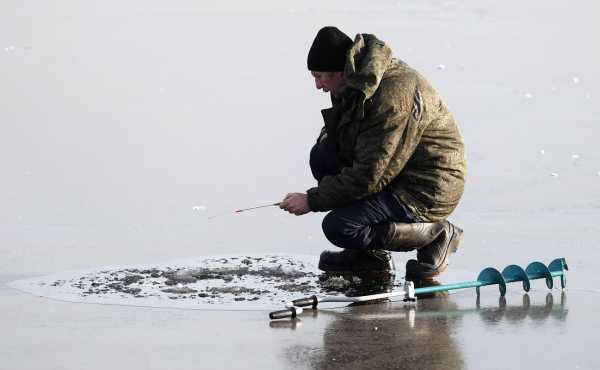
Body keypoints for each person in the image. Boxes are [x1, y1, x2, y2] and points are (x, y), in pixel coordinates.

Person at [280, 26, 466, 280]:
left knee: (339, 227)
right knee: (322, 157)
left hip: (426, 186)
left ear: (340, 72)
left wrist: (312, 200)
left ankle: (437, 234)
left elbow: (370, 174)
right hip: (396, 170)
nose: (317, 85)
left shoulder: (392, 96)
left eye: (320, 76)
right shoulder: (354, 83)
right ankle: (370, 257)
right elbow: (347, 144)